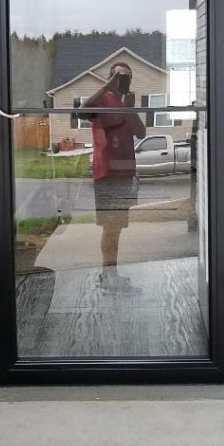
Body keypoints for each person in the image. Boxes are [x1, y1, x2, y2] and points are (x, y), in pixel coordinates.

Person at [82, 61, 146, 291]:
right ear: (110, 77)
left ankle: (109, 274)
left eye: (126, 76)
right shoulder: (103, 99)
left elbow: (141, 132)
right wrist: (106, 86)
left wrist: (131, 109)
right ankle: (108, 276)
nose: (122, 80)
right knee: (110, 227)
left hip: (125, 172)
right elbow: (83, 110)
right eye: (118, 76)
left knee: (116, 228)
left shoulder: (125, 102)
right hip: (107, 173)